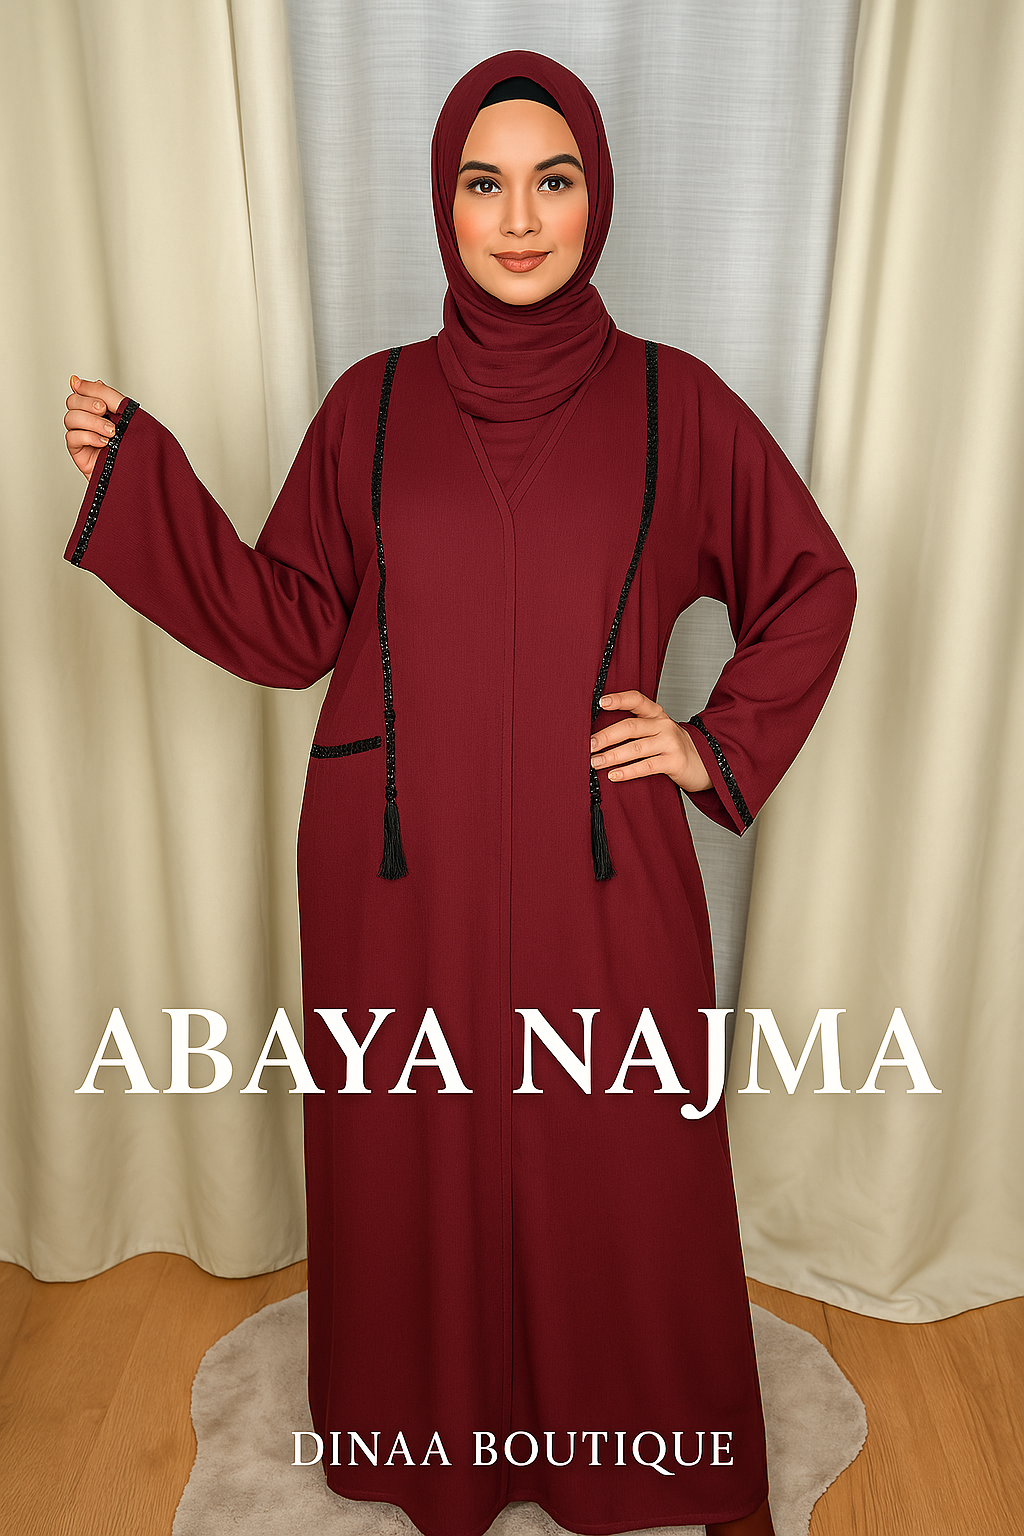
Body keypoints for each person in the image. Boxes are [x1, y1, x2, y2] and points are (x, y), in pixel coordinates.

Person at [64, 50, 855, 1536]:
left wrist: (711, 742)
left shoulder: (676, 406)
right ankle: (438, 1448)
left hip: (597, 862)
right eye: (485, 184)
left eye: (553, 181)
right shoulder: (369, 408)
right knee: (414, 1149)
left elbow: (810, 579)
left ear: (596, 197)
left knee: (618, 1148)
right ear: (445, 202)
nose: (520, 218)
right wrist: (143, 481)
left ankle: (627, 1449)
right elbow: (289, 621)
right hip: (396, 867)